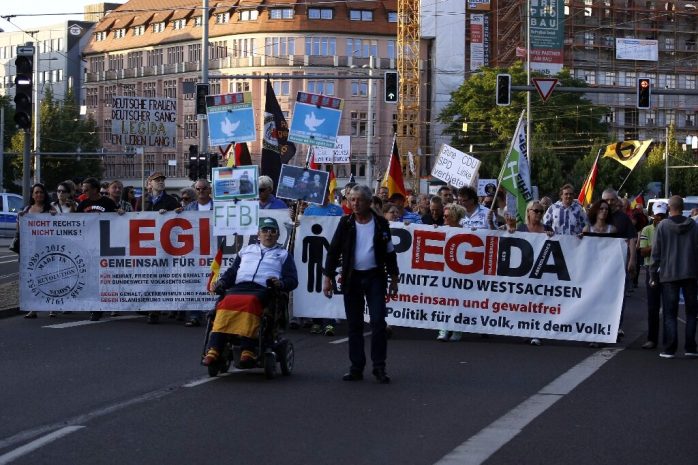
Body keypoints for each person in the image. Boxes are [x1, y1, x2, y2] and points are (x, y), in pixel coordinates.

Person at [323, 184, 399, 384]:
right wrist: (327, 277)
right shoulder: (346, 223)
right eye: (352, 200)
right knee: (354, 325)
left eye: (359, 200)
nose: (355, 204)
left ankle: (379, 367)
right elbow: (333, 251)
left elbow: (390, 252)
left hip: (375, 277)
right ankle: (356, 367)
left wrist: (394, 278)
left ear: (368, 202)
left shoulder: (381, 224)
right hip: (352, 278)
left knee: (377, 322)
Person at [204, 217, 298, 367]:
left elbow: (293, 280)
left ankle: (248, 349)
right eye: (265, 230)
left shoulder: (284, 255)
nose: (268, 234)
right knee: (225, 302)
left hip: (264, 289)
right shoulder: (246, 250)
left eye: (272, 231)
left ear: (278, 235)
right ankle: (214, 348)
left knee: (250, 302)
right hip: (240, 287)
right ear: (258, 234)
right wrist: (221, 282)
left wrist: (280, 283)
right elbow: (232, 272)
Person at [650, 195, 698, 359]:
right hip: (690, 273)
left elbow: (656, 253)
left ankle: (670, 348)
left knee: (670, 313)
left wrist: (652, 274)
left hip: (669, 274)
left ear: (670, 208)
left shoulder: (662, 226)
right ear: (682, 207)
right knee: (691, 312)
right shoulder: (693, 225)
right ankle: (691, 347)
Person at [76, 178, 118, 321]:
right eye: (82, 189)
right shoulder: (83, 204)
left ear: (95, 189)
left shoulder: (108, 203)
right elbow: (74, 223)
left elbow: (118, 221)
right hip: (88, 246)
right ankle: (95, 308)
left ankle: (109, 304)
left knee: (105, 277)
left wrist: (121, 213)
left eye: (86, 189)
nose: (83, 192)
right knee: (92, 277)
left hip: (106, 245)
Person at [302, 190, 343, 336]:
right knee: (315, 288)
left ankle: (330, 322)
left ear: (328, 195)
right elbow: (303, 231)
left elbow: (342, 228)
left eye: (325, 194)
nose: (323, 197)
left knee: (329, 285)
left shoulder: (337, 210)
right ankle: (316, 321)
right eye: (320, 194)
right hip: (314, 257)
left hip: (331, 256)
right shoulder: (309, 210)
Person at [514, 200, 554, 345]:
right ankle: (525, 330)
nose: (538, 214)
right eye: (535, 211)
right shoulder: (521, 229)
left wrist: (551, 235)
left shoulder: (547, 228)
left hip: (541, 273)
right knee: (525, 303)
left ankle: (537, 332)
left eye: (541, 211)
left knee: (539, 302)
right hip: (523, 273)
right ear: (528, 212)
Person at [601, 188, 637, 341]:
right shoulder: (597, 217)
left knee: (619, 296)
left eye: (612, 200)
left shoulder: (623, 218)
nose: (609, 203)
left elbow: (632, 239)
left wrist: (632, 260)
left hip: (619, 264)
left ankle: (617, 325)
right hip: (600, 265)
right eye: (606, 200)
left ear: (617, 201)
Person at [22, 183, 57, 319]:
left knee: (51, 278)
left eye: (41, 192)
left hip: (48, 248)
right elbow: (21, 231)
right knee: (33, 279)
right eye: (36, 192)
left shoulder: (50, 209)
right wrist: (20, 218)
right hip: (32, 249)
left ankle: (52, 307)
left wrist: (55, 216)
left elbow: (58, 227)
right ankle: (33, 308)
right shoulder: (27, 210)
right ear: (32, 195)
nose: (39, 195)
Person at [639, 201, 667, 350]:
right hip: (652, 270)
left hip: (668, 270)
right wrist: (658, 245)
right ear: (653, 215)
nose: (660, 218)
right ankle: (652, 339)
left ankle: (669, 340)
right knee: (652, 307)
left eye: (662, 215)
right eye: (658, 215)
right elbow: (643, 251)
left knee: (669, 307)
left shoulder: (670, 229)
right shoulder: (647, 230)